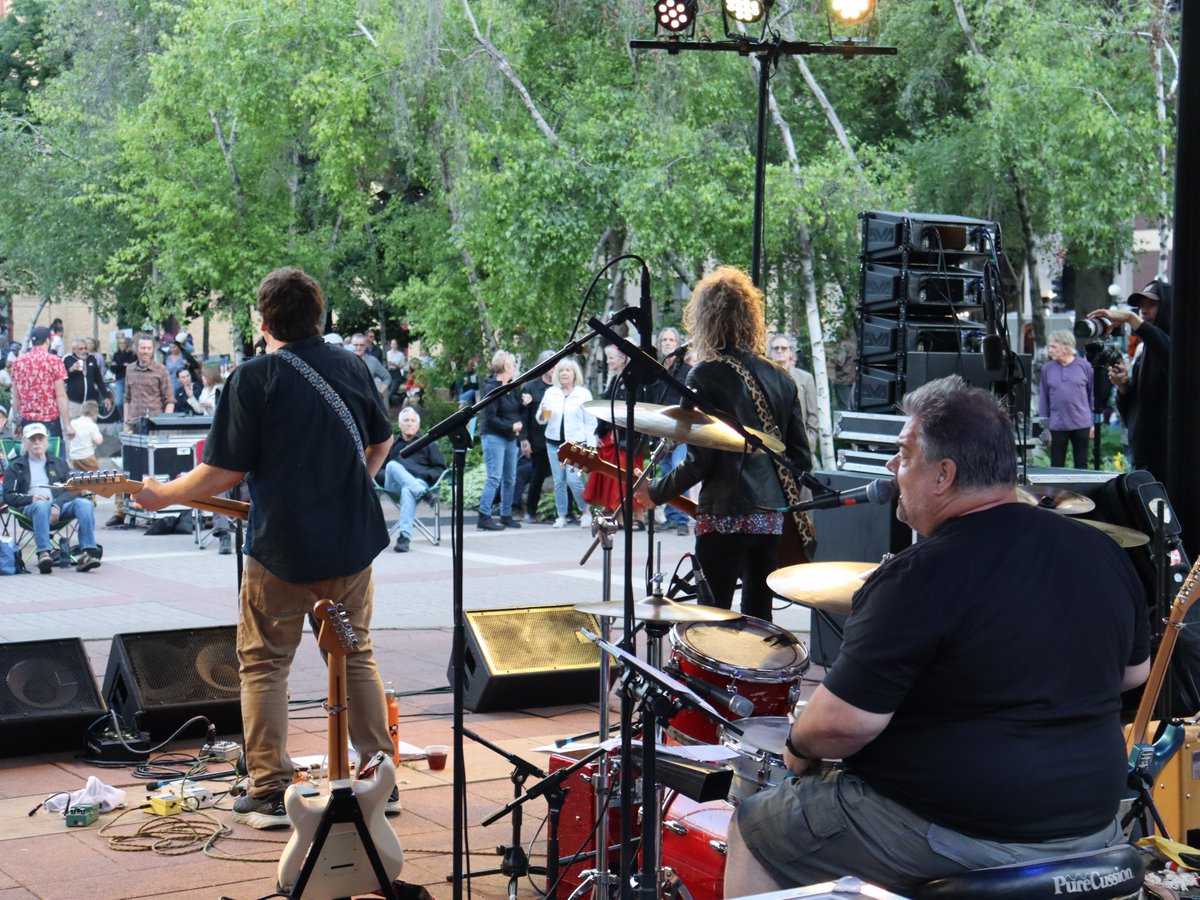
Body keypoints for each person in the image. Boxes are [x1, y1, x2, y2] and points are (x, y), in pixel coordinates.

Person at [722, 375, 1151, 897]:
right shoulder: (1100, 551)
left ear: (943, 474)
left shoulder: (920, 574)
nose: (890, 468)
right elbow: (1135, 673)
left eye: (903, 454)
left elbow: (840, 726)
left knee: (757, 826)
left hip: (960, 831)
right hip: (1094, 823)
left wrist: (796, 746)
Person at [132, 266, 400, 829]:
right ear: (319, 317)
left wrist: (160, 496)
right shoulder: (350, 365)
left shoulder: (253, 378)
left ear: (262, 321)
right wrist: (356, 481)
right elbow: (382, 440)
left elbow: (221, 472)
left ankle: (270, 788)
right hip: (352, 541)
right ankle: (381, 780)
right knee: (353, 655)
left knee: (263, 665)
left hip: (282, 548)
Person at [636, 267, 812, 621]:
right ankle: (758, 675)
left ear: (705, 319)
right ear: (750, 319)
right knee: (759, 618)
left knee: (712, 618)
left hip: (725, 517)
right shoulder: (781, 376)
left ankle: (714, 679)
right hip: (772, 520)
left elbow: (700, 462)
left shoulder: (705, 373)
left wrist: (653, 491)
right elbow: (801, 461)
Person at [1090, 280, 1169, 481]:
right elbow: (1135, 408)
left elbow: (1167, 352)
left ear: (1167, 307)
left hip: (1165, 457)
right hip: (1142, 454)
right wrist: (1123, 386)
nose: (1144, 309)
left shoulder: (1175, 344)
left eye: (1151, 304)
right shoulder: (1145, 353)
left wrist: (1129, 317)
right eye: (1141, 305)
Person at [4, 422, 102, 574]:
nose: (37, 442)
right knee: (42, 505)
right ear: (24, 441)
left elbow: (74, 489)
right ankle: (43, 554)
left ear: (46, 441)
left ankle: (86, 554)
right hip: (31, 509)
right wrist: (31, 498)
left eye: (40, 438)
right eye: (32, 439)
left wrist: (56, 505)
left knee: (85, 504)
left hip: (59, 507)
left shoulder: (58, 463)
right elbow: (9, 495)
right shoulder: (16, 466)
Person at [110, 333, 174, 526]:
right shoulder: (129, 369)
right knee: (126, 469)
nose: (145, 352)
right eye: (142, 348)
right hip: (132, 426)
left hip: (154, 427)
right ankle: (120, 511)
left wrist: (166, 423)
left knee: (152, 471)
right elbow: (127, 398)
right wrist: (125, 423)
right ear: (136, 349)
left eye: (148, 348)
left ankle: (152, 509)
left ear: (152, 350)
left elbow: (169, 400)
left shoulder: (161, 370)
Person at [583, 344, 647, 528]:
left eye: (612, 358)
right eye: (608, 358)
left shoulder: (632, 380)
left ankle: (637, 517)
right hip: (612, 438)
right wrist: (599, 432)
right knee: (614, 479)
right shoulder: (614, 380)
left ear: (622, 359)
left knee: (627, 478)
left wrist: (623, 434)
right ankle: (621, 518)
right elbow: (605, 408)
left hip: (627, 438)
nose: (609, 361)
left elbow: (638, 411)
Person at [378, 406, 446, 553]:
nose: (409, 423)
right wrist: (400, 475)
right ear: (400, 424)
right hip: (393, 486)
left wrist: (421, 476)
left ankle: (404, 537)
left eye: (412, 420)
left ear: (418, 424)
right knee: (392, 465)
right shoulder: (392, 445)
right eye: (406, 420)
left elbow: (439, 468)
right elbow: (379, 469)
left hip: (418, 483)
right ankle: (424, 494)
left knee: (408, 489)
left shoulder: (428, 443)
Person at [538, 358, 596, 529]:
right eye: (561, 370)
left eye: (568, 370)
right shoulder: (550, 393)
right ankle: (561, 515)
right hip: (553, 443)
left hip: (575, 445)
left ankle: (585, 511)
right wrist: (542, 416)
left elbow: (590, 422)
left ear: (574, 374)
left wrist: (591, 447)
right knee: (559, 481)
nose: (564, 373)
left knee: (574, 480)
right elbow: (540, 419)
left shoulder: (583, 394)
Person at [650, 327, 693, 536]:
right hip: (660, 430)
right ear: (660, 344)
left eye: (671, 340)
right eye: (664, 339)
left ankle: (683, 518)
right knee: (667, 473)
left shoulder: (687, 371)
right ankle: (671, 515)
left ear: (677, 345)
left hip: (680, 431)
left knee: (679, 469)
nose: (667, 343)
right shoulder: (656, 370)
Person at [476, 350, 524, 531]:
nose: (514, 369)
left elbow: (514, 412)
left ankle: (506, 515)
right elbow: (490, 418)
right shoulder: (492, 388)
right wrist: (510, 427)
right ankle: (484, 516)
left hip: (510, 438)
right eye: (511, 365)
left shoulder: (512, 387)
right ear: (504, 366)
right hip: (494, 437)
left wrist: (523, 405)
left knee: (510, 478)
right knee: (494, 477)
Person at [1038, 329, 1094, 469]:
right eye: (1049, 346)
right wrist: (1045, 428)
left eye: (1053, 346)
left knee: (1081, 465)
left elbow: (1092, 395)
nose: (1049, 350)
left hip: (1081, 423)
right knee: (1056, 466)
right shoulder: (1047, 369)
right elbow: (1043, 399)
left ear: (1066, 347)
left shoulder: (1084, 366)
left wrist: (1092, 422)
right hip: (1057, 425)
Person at [9, 325, 73, 440]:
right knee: (53, 456)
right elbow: (60, 395)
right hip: (49, 421)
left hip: (26, 421)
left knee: (30, 455)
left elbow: (16, 396)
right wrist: (67, 424)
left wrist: (15, 422)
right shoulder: (54, 361)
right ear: (48, 341)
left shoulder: (18, 362)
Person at [769, 332, 820, 463]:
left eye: (784, 348)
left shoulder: (806, 378)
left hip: (800, 447)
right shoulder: (763, 378)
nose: (780, 351)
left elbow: (813, 415)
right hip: (771, 447)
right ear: (770, 353)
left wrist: (809, 442)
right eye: (776, 348)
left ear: (791, 352)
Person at [517, 350, 555, 523]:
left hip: (560, 438)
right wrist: (523, 440)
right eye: (549, 363)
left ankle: (567, 512)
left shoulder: (560, 386)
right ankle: (531, 511)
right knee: (537, 475)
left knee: (564, 476)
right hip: (538, 439)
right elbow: (523, 417)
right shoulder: (531, 387)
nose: (553, 368)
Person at [351, 332, 390, 398]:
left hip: (368, 400)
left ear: (365, 345)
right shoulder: (344, 360)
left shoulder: (373, 361)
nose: (359, 347)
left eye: (362, 345)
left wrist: (379, 393)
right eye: (356, 345)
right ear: (351, 345)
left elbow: (387, 377)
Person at [68, 400, 103, 472]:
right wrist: (101, 437)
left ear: (81, 412)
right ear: (94, 415)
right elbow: (98, 441)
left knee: (78, 475)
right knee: (96, 475)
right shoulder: (92, 425)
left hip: (74, 457)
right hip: (87, 457)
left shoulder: (73, 423)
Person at [110, 333, 136, 412]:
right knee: (118, 402)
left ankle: (130, 417)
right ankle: (123, 417)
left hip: (130, 379)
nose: (122, 344)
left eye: (124, 343)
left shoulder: (132, 354)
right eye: (120, 343)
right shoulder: (115, 355)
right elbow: (113, 368)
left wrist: (118, 365)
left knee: (131, 401)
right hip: (119, 379)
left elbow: (132, 366)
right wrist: (123, 365)